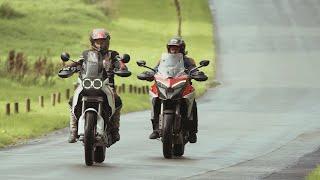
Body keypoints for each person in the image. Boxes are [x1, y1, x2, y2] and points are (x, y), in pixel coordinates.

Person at [66, 28, 127, 143]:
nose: (100, 44)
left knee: (117, 100)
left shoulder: (113, 54)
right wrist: (69, 68)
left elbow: (120, 63)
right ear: (92, 42)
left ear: (107, 42)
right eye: (97, 41)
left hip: (106, 85)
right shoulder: (86, 54)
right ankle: (73, 130)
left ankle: (114, 129)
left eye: (103, 41)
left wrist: (122, 67)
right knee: (71, 100)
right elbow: (77, 62)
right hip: (87, 83)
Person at [148, 36, 200, 143]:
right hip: (166, 86)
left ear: (181, 49)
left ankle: (192, 131)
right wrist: (149, 73)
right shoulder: (163, 60)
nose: (173, 49)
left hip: (183, 87)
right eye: (171, 47)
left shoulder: (188, 60)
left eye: (176, 48)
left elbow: (194, 70)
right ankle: (156, 128)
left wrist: (197, 74)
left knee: (192, 103)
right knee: (156, 97)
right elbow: (155, 69)